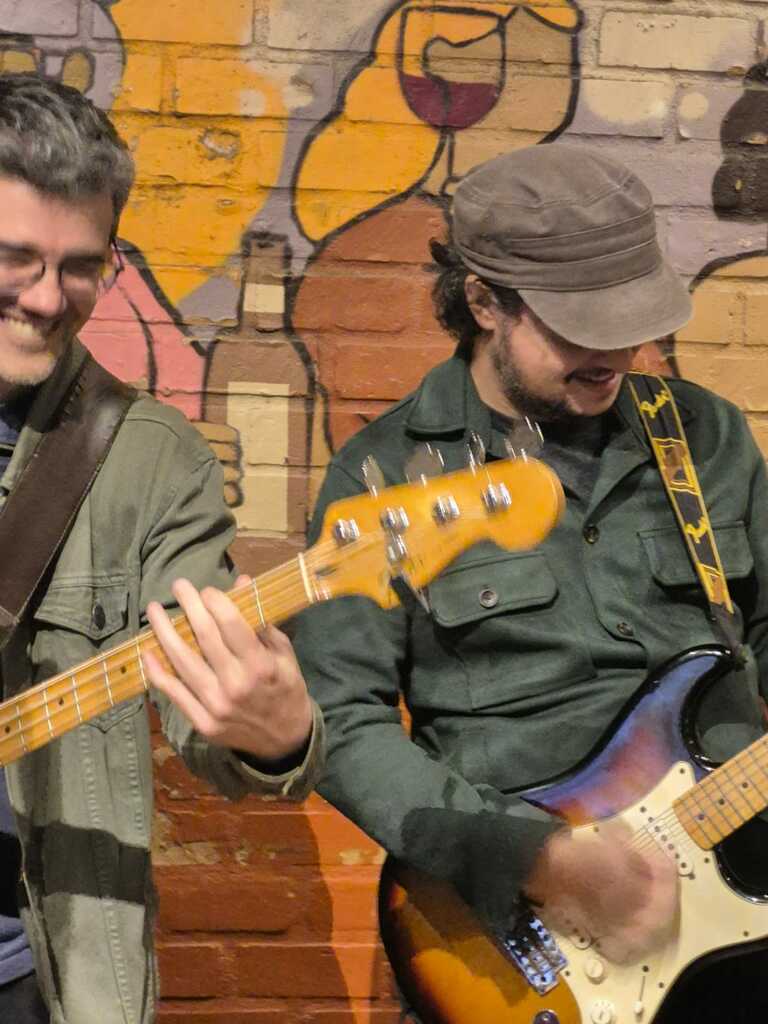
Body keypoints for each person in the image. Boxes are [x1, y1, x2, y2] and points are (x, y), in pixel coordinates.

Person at [292, 143, 768, 1022]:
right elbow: (340, 722)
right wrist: (535, 857)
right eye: (578, 326)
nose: (613, 353)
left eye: (630, 320)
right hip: (522, 947)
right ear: (484, 302)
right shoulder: (384, 478)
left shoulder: (705, 436)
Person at [0, 73, 323, 1023]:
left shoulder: (149, 460)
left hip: (32, 974)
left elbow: (203, 722)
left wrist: (273, 734)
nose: (46, 298)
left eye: (80, 266)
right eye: (14, 258)